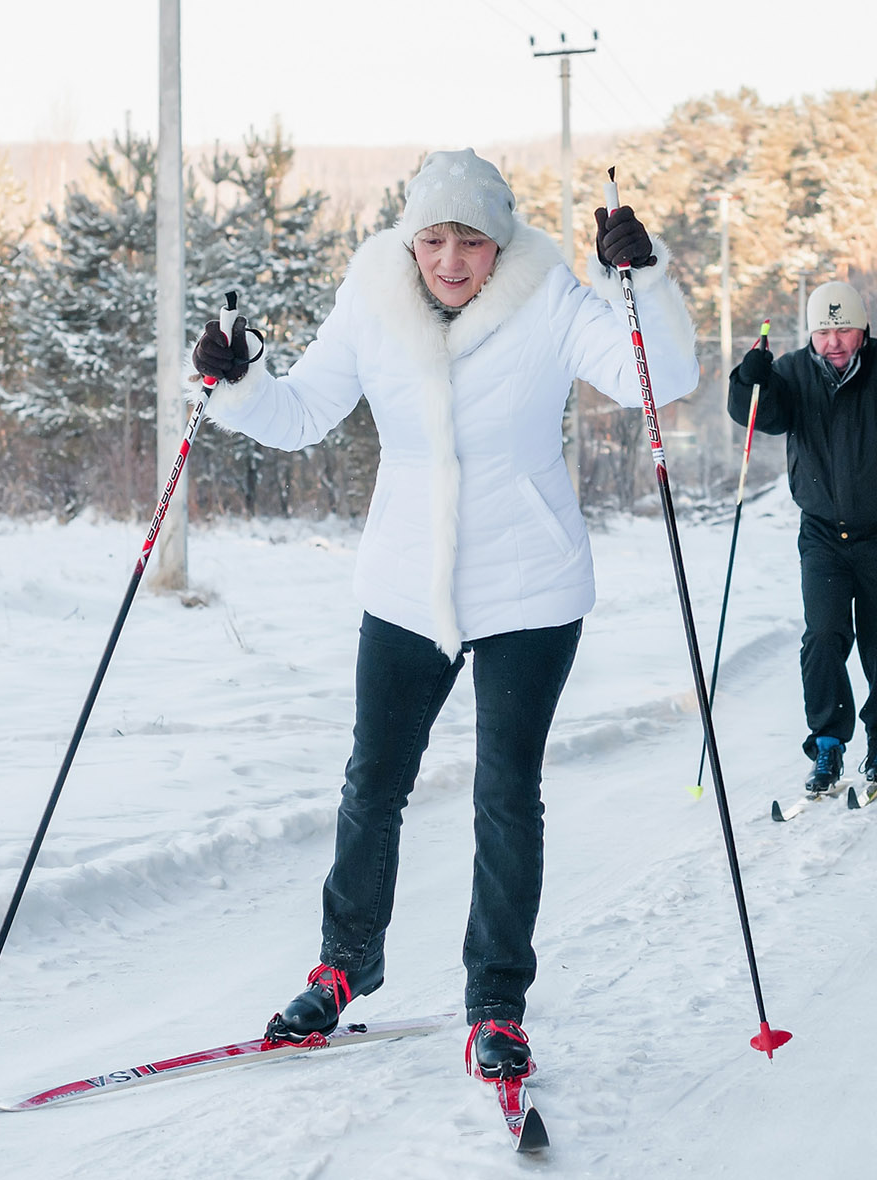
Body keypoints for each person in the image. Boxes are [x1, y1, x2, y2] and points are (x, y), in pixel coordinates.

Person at [188, 149, 697, 1082]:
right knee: (372, 779)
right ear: (409, 239)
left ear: (500, 241)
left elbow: (655, 379)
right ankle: (345, 965)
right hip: (405, 579)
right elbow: (301, 413)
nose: (452, 260)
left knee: (506, 791)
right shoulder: (374, 298)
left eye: (471, 240)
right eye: (433, 239)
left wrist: (645, 282)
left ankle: (496, 1002)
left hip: (529, 584)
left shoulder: (549, 297)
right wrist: (242, 381)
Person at [729, 280, 877, 797]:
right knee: (823, 636)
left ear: (864, 329)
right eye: (823, 330)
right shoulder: (790, 372)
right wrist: (747, 382)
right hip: (821, 533)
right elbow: (755, 416)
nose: (833, 341)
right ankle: (829, 743)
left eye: (844, 329)